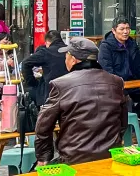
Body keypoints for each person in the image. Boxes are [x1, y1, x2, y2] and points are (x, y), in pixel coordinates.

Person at [36, 37, 126, 166]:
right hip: (110, 156)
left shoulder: (61, 84)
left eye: (66, 55)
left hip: (74, 160)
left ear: (73, 59)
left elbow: (43, 125)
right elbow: (123, 123)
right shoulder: (116, 81)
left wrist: (43, 157)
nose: (65, 59)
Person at [98, 17, 140, 118]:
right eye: (122, 29)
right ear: (114, 31)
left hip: (133, 83)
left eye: (128, 28)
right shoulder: (106, 47)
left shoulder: (132, 44)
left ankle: (134, 117)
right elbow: (108, 72)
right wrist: (121, 86)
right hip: (116, 86)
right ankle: (127, 120)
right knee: (126, 98)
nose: (126, 32)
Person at [21, 30, 69, 106]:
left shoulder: (46, 52)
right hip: (69, 92)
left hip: (50, 93)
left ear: (47, 42)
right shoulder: (70, 51)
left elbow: (25, 63)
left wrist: (32, 82)